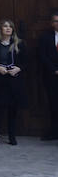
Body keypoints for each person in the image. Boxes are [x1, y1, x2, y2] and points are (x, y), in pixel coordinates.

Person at [0, 19, 24, 146]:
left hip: (14, 80)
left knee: (13, 110)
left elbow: (26, 62)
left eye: (10, 27)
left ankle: (12, 136)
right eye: (5, 26)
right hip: (0, 80)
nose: (8, 28)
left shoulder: (19, 44)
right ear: (0, 29)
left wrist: (19, 68)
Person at [39, 11, 58, 142]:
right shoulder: (45, 37)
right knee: (53, 105)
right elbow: (42, 56)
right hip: (52, 76)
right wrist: (54, 70)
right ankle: (54, 132)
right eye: (55, 21)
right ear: (51, 23)